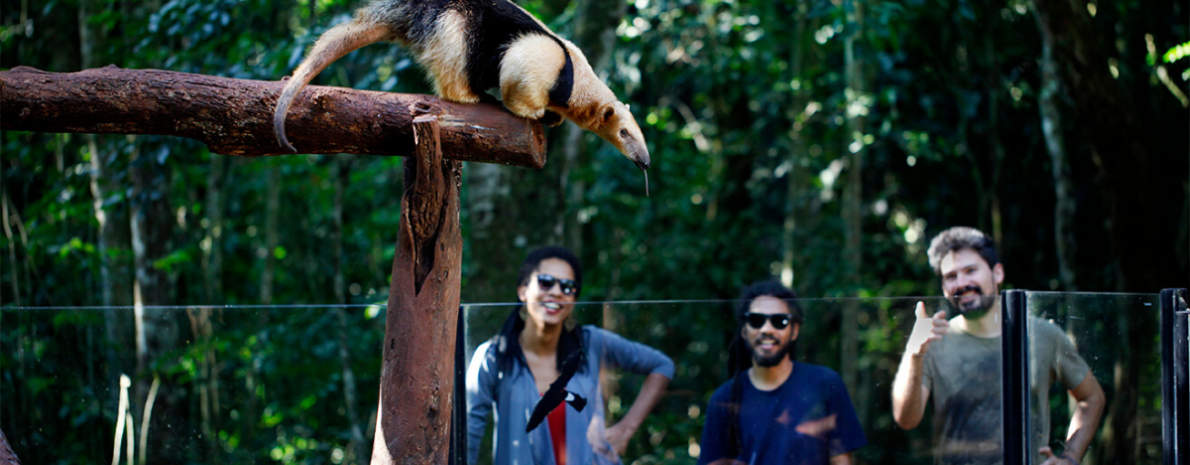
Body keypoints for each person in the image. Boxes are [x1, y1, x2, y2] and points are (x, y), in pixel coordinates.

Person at [891, 226, 1106, 465]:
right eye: (951, 276)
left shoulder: (1042, 334)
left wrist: (1071, 457)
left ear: (998, 273)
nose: (962, 283)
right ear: (943, 287)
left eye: (970, 270)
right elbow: (906, 419)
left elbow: (1092, 397)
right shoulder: (933, 339)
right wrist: (914, 353)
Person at [466, 246, 674, 465]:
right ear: (523, 291)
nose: (556, 291)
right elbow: (468, 433)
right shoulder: (494, 356)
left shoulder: (592, 342)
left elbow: (662, 365)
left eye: (567, 287)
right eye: (546, 282)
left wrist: (626, 428)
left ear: (574, 299)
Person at [698, 281, 867, 465]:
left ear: (794, 331)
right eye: (756, 320)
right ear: (744, 331)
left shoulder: (825, 383)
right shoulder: (724, 398)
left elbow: (841, 460)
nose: (766, 329)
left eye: (779, 321)